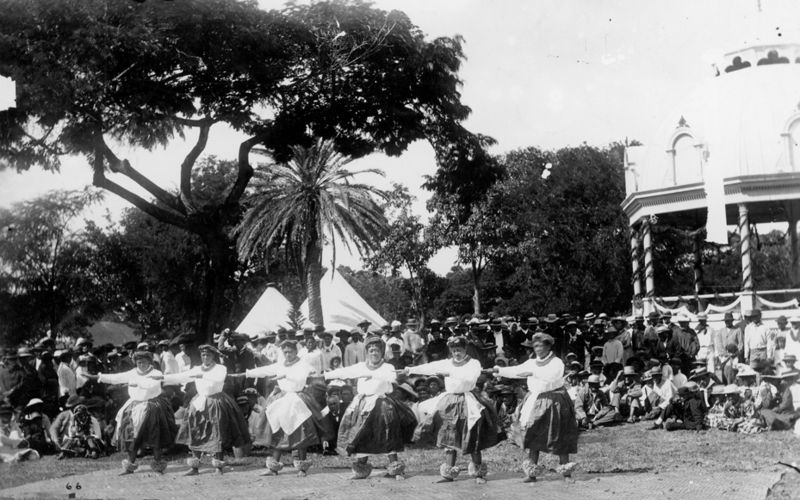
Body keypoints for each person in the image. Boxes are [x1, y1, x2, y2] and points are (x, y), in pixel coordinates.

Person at [407, 335, 499, 484]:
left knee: (471, 434)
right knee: (448, 435)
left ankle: (478, 473)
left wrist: (450, 373)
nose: (457, 353)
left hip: (467, 401)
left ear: (465, 349)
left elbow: (471, 377)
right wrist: (410, 369)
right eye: (454, 350)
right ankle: (448, 472)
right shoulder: (447, 363)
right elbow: (430, 367)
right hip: (449, 402)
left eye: (459, 350)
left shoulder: (473, 363)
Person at [324, 334, 416, 480]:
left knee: (388, 434)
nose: (374, 353)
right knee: (361, 434)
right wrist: (327, 375)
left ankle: (396, 469)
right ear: (367, 353)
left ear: (382, 352)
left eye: (377, 350)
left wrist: (373, 376)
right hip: (363, 404)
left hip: (382, 405)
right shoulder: (360, 367)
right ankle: (361, 468)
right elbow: (345, 372)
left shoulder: (388, 367)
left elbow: (392, 378)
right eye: (371, 350)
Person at [237, 339, 331, 477]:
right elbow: (265, 370)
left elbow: (304, 375)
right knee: (278, 430)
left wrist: (287, 375)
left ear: (295, 351)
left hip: (297, 400)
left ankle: (302, 467)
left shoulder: (303, 364)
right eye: (285, 352)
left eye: (290, 351)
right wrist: (247, 373)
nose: (288, 354)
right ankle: (273, 466)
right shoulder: (280, 365)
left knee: (300, 432)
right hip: (281, 400)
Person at [493, 332, 578, 483]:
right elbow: (517, 370)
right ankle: (531, 472)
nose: (537, 348)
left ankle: (566, 473)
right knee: (533, 433)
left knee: (560, 435)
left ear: (548, 346)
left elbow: (553, 375)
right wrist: (498, 370)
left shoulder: (556, 362)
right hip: (536, 400)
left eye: (540, 345)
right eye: (535, 346)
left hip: (555, 400)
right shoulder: (531, 362)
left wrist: (533, 372)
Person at [83, 350, 177, 474]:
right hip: (134, 406)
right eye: (139, 363)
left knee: (155, 436)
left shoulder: (156, 373)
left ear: (149, 362)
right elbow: (116, 378)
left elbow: (151, 385)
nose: (141, 365)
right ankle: (130, 465)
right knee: (131, 435)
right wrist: (97, 377)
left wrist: (135, 383)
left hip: (152, 406)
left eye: (144, 362)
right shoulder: (133, 372)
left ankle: (158, 464)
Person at [163, 344, 251, 475]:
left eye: (208, 355)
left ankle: (219, 466)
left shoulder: (221, 368)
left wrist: (201, 376)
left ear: (213, 356)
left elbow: (218, 379)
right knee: (196, 431)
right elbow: (182, 376)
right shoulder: (197, 369)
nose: (205, 357)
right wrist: (163, 378)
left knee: (217, 432)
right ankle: (195, 466)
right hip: (199, 403)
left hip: (216, 402)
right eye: (203, 355)